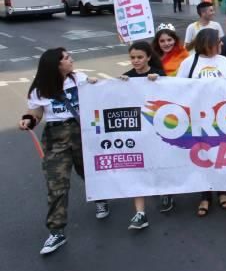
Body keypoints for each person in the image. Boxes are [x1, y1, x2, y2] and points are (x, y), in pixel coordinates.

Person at [20, 48, 104, 255]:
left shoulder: (79, 78)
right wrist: (29, 119)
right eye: (66, 58)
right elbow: (36, 111)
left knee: (88, 171)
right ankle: (56, 231)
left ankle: (101, 198)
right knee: (57, 184)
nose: (71, 60)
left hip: (81, 132)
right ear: (55, 65)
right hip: (56, 137)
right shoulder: (40, 89)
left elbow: (97, 91)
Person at [176, 29, 226, 216]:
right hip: (197, 119)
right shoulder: (189, 62)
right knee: (202, 156)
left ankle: (222, 191)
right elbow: (177, 89)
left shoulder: (223, 61)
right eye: (218, 41)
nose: (221, 44)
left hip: (220, 119)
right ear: (208, 43)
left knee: (220, 155)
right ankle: (205, 195)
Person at [119, 41, 165, 230]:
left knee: (159, 165)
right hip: (136, 131)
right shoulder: (126, 77)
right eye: (132, 58)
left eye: (139, 57)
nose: (136, 61)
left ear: (148, 57)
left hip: (158, 130)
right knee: (136, 168)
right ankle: (140, 213)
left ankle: (166, 192)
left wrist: (160, 81)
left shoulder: (158, 74)